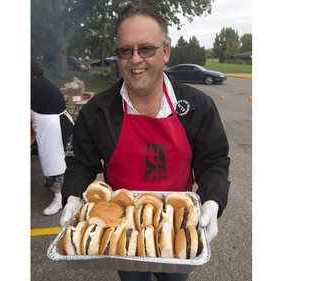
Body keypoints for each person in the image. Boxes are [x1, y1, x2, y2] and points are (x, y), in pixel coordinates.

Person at [60, 3, 230, 281]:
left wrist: (213, 200)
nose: (135, 60)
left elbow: (214, 161)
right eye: (125, 51)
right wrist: (73, 196)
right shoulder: (98, 112)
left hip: (175, 226)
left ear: (165, 51)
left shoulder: (198, 106)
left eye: (146, 49)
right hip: (122, 229)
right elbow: (81, 163)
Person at [31, 59, 74, 216]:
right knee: (60, 161)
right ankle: (60, 191)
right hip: (59, 124)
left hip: (54, 128)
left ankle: (59, 198)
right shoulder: (40, 82)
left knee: (55, 163)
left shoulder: (33, 85)